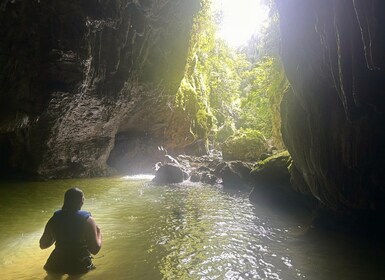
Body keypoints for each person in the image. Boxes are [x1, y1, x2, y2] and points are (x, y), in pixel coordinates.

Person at [39, 187, 102, 275]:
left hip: (56, 262)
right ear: (82, 200)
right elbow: (95, 250)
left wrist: (56, 235)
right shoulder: (87, 219)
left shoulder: (55, 218)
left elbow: (43, 245)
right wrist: (99, 233)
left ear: (65, 200)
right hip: (78, 263)